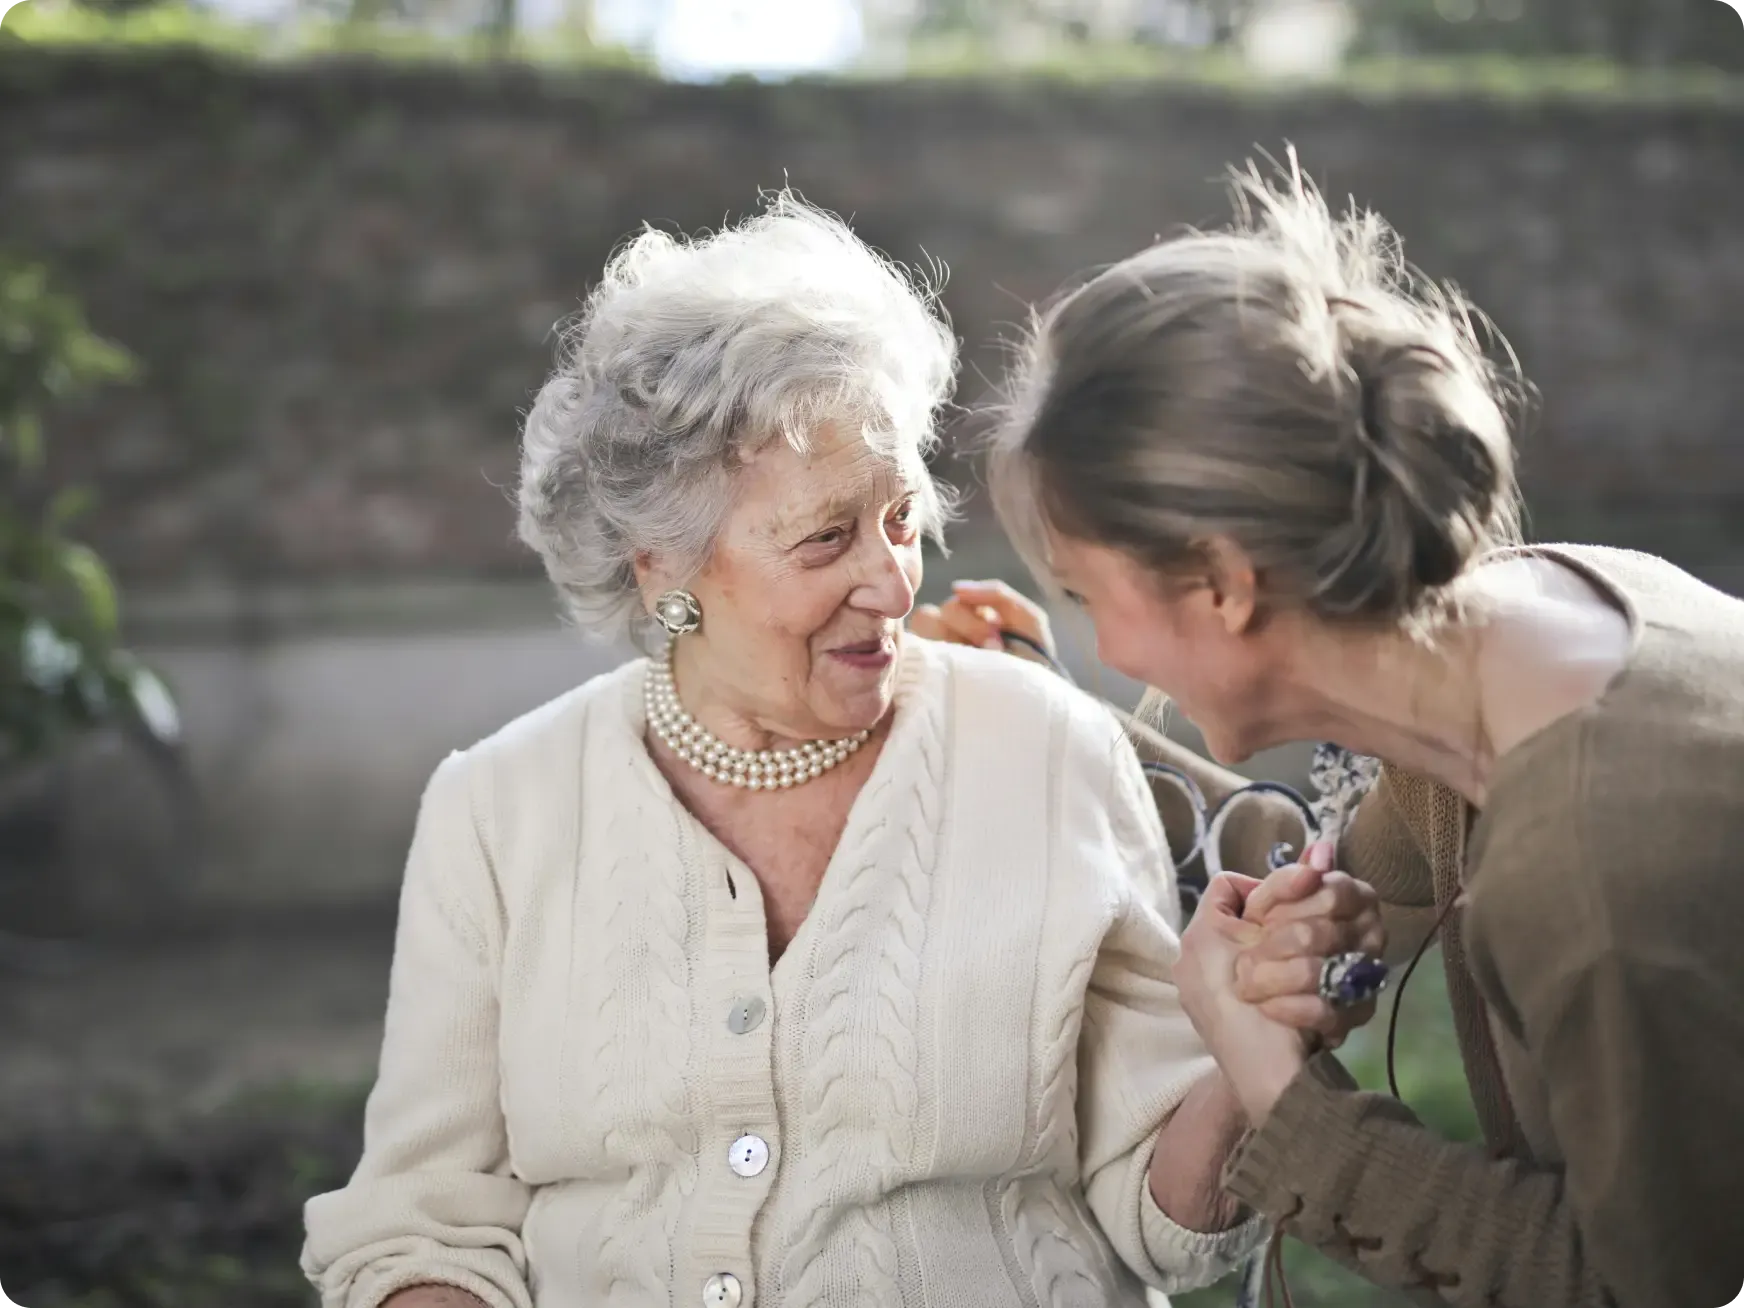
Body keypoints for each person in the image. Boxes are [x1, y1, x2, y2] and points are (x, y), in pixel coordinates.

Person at [298, 195, 1381, 1308]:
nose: (891, 580)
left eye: (902, 520)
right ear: (661, 567)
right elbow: (421, 1225)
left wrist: (1246, 1046)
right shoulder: (497, 808)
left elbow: (1168, 1226)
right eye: (826, 537)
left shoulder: (1043, 750)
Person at [953, 154, 1744, 1308]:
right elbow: (1328, 858)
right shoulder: (1542, 621)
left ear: (1221, 585)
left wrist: (1285, 1101)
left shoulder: (1592, 870)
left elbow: (1650, 1287)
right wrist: (1039, 710)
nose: (1108, 651)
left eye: (1086, 598)